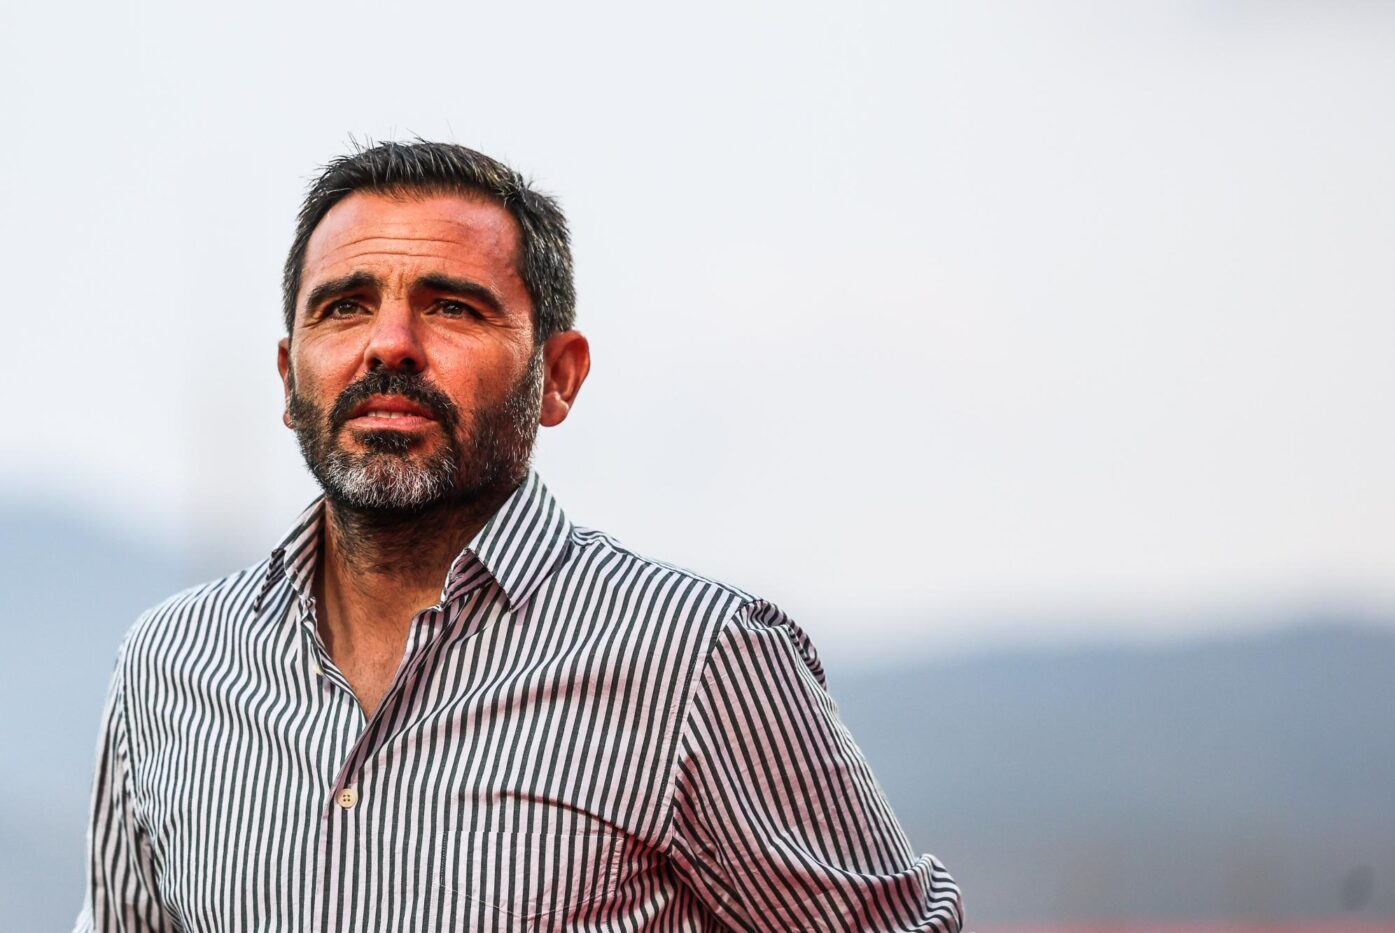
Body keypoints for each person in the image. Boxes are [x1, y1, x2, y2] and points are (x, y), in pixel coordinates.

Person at [76, 140, 964, 932]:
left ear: (558, 377)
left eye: (452, 308)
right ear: (288, 376)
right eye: (344, 306)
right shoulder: (170, 665)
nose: (389, 344)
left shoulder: (699, 659)